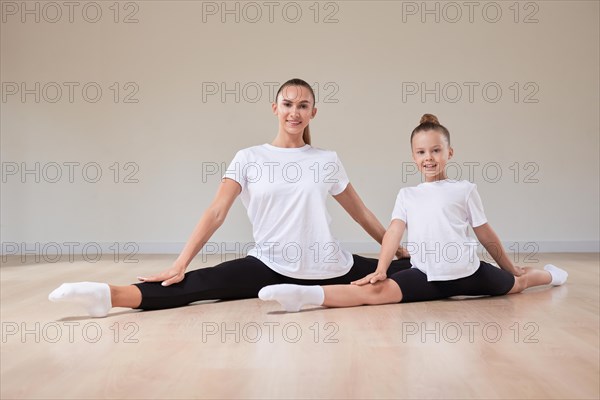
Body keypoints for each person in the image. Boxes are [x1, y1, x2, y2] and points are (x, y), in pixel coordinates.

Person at [48, 78, 411, 317]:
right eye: (287, 104)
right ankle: (106, 295)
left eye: (303, 106)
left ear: (313, 112)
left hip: (331, 267)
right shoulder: (248, 157)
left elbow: (360, 212)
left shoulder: (326, 160)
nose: (294, 112)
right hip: (270, 263)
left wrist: (393, 249)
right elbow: (217, 211)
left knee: (418, 269)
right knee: (198, 284)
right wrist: (179, 262)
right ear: (275, 109)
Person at [258, 114, 568, 312]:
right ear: (413, 157)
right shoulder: (408, 195)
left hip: (471, 273)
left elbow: (485, 234)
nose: (429, 157)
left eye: (436, 150)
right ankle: (304, 296)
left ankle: (553, 275)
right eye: (421, 152)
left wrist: (508, 266)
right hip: (427, 275)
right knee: (373, 293)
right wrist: (381, 268)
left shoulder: (464, 189)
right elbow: (393, 232)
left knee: (519, 284)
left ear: (449, 153)